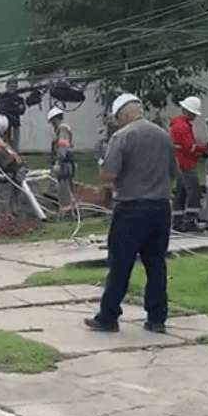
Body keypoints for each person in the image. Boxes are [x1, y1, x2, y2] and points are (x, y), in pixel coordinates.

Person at [85, 94, 177, 334]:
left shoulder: (123, 136)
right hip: (160, 208)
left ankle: (108, 316)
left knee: (120, 264)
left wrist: (103, 168)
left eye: (117, 119)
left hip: (131, 208)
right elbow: (173, 172)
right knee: (156, 264)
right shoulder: (163, 135)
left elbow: (108, 174)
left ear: (124, 115)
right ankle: (157, 319)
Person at [168, 96, 208, 233]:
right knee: (194, 193)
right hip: (185, 164)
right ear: (187, 111)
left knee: (181, 194)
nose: (194, 117)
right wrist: (205, 147)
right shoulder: (182, 126)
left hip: (179, 164)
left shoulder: (177, 123)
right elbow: (190, 148)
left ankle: (177, 222)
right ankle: (189, 222)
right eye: (193, 114)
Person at [48, 107, 75, 213]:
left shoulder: (62, 129)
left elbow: (62, 146)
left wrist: (59, 161)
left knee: (64, 187)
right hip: (65, 162)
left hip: (64, 163)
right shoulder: (64, 128)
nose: (52, 124)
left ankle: (66, 212)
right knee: (61, 187)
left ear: (55, 119)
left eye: (52, 122)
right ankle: (65, 208)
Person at [0, 79, 26, 151]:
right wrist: (14, 109)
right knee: (4, 142)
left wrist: (11, 109)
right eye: (11, 86)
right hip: (4, 124)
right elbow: (0, 109)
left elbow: (22, 111)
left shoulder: (19, 98)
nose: (13, 88)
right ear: (7, 87)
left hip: (15, 123)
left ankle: (15, 156)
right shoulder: (2, 97)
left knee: (15, 142)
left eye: (15, 87)